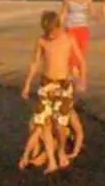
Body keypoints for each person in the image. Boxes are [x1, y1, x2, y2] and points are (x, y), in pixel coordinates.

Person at [19, 10, 87, 173]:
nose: (50, 36)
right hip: (46, 85)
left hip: (63, 86)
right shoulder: (42, 41)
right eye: (47, 32)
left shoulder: (68, 39)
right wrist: (27, 85)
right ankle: (51, 160)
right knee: (42, 124)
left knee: (60, 124)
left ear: (58, 27)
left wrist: (82, 80)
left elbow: (81, 61)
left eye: (52, 32)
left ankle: (61, 151)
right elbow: (35, 63)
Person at [60, 0, 95, 70]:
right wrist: (58, 25)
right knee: (72, 51)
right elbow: (64, 12)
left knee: (82, 51)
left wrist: (100, 17)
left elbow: (92, 11)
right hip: (71, 27)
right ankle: (73, 71)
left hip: (83, 27)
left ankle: (80, 71)